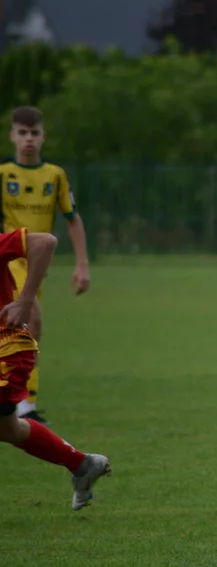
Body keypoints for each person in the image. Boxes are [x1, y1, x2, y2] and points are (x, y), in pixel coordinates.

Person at [1, 227, 111, 509]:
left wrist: (25, 300)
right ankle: (83, 465)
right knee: (9, 429)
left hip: (6, 351)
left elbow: (45, 241)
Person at [1, 106, 92, 425]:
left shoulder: (54, 175)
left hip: (39, 264)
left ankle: (21, 400)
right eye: (22, 133)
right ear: (12, 136)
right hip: (9, 260)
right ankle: (23, 405)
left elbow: (73, 220)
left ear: (43, 137)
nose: (28, 139)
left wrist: (82, 265)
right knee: (30, 318)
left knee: (24, 328)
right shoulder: (3, 174)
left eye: (34, 133)